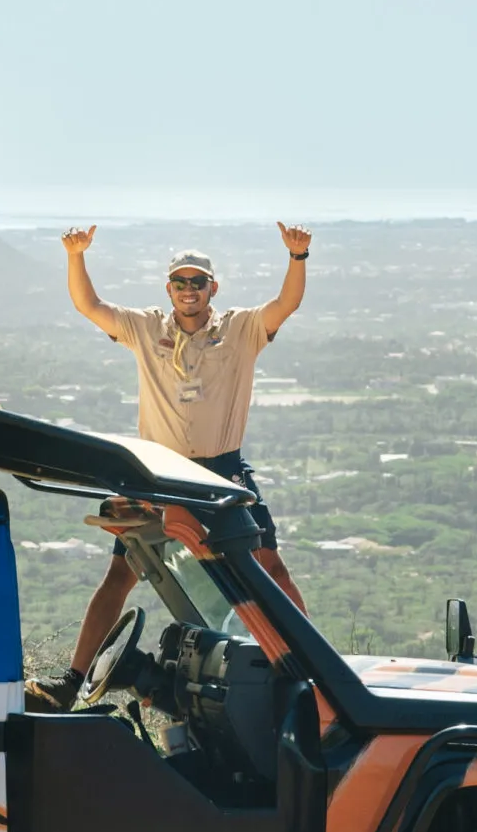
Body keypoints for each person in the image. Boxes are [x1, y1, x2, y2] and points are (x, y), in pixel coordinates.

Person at [25, 224, 314, 712]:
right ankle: (72, 681)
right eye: (179, 282)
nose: (187, 290)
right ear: (168, 289)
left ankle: (315, 679)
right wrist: (76, 257)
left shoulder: (240, 329)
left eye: (196, 282)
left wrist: (298, 256)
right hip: (159, 473)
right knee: (121, 571)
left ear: (212, 289)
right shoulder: (146, 328)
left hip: (221, 473)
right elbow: (89, 307)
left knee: (271, 569)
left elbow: (285, 305)